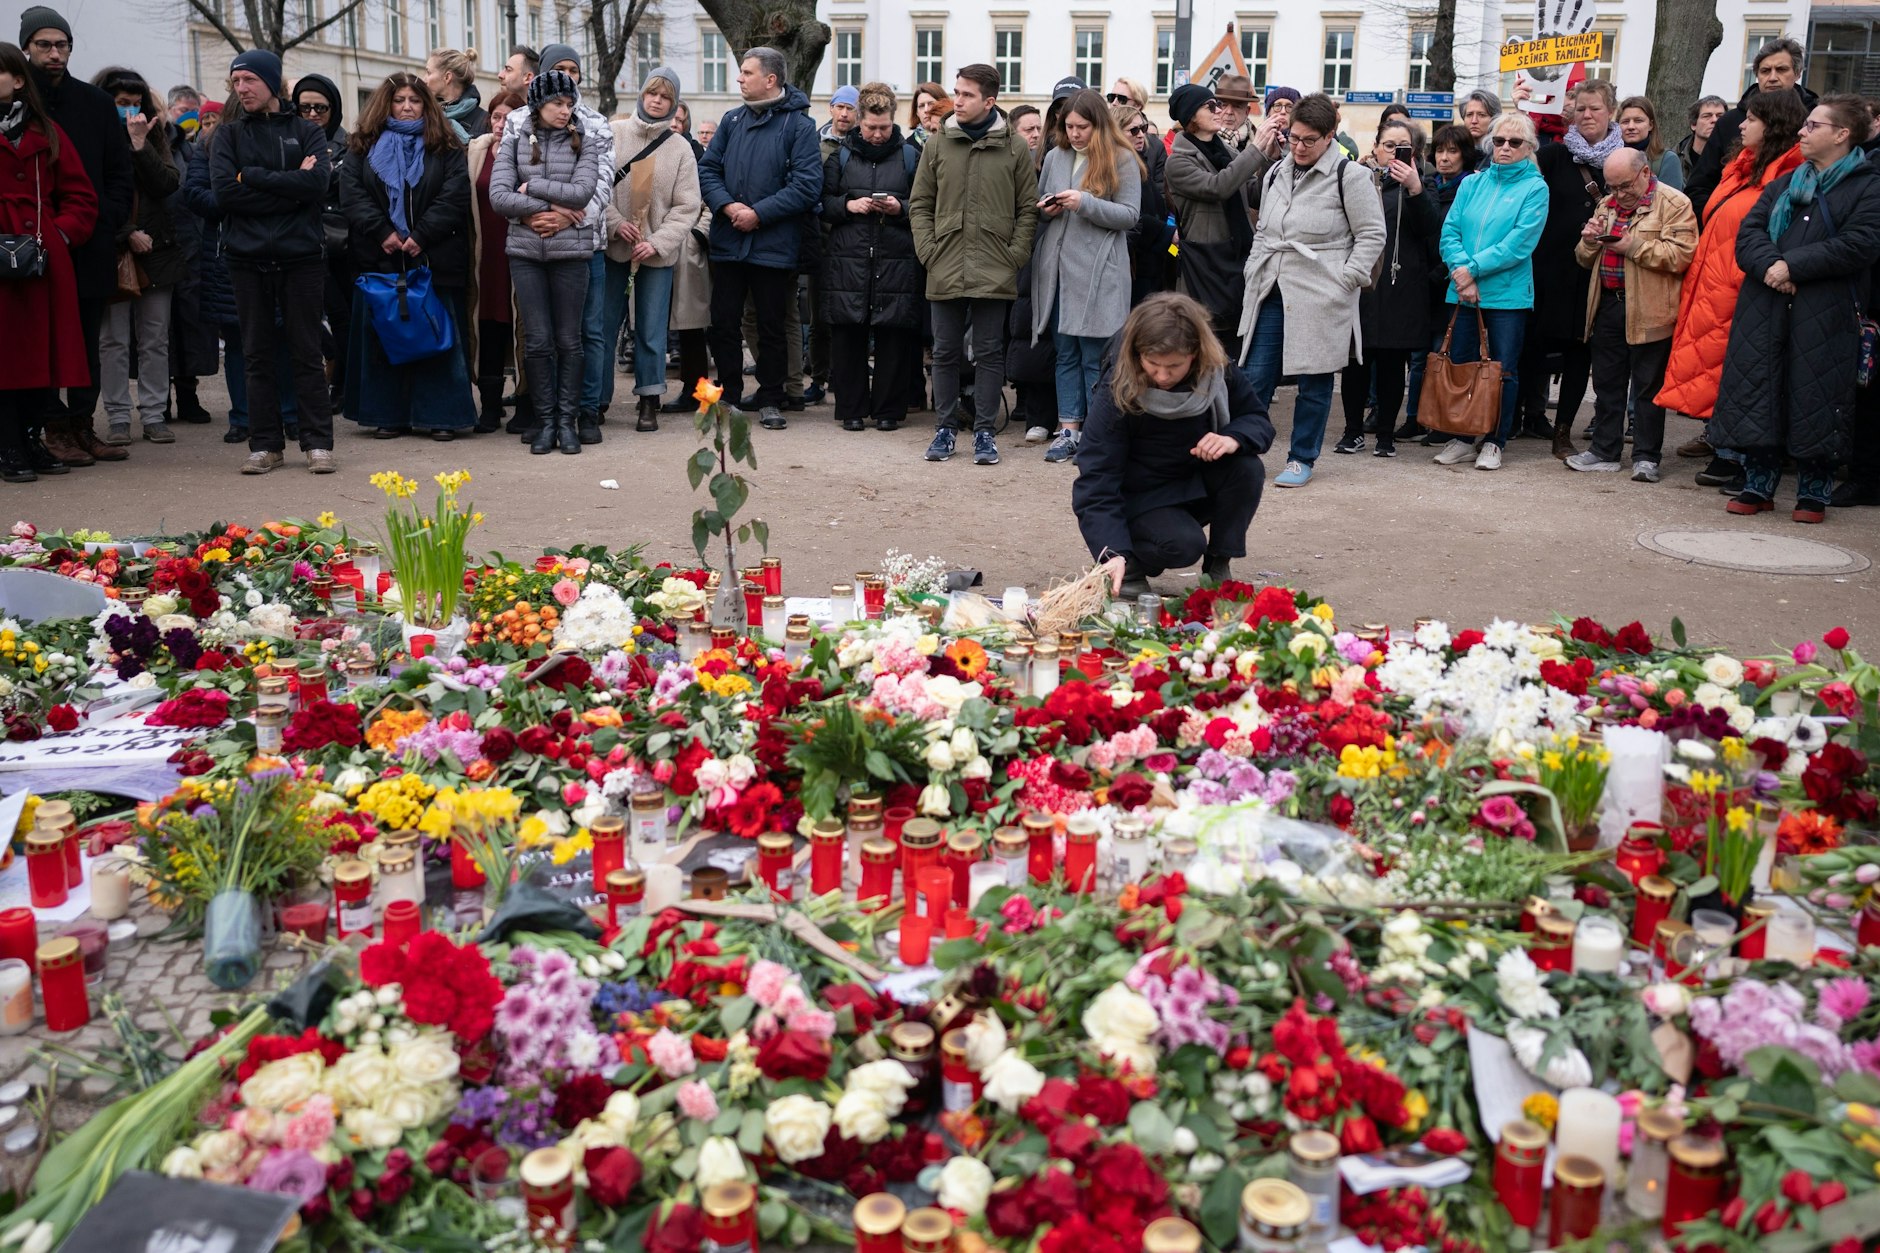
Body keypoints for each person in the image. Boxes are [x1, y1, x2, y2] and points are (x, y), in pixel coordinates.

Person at [1711, 95, 1880, 523]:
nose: (1802, 132)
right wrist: (1771, 266)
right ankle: (1758, 483)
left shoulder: (1868, 185)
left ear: (1841, 134)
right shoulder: (1785, 184)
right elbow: (1749, 232)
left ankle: (1813, 490)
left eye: (1813, 126)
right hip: (1765, 305)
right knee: (1759, 389)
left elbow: (1860, 243)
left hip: (1824, 310)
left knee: (1816, 394)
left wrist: (1794, 266)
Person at [1072, 292, 1273, 598]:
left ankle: (1219, 564)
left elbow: (1257, 419)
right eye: (1152, 364)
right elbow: (1096, 477)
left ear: (1195, 354)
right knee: (1183, 545)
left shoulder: (1217, 370)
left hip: (1192, 481)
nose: (1162, 376)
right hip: (1139, 496)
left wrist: (1232, 437)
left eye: (1174, 366)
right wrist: (1111, 553)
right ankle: (1131, 566)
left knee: (1247, 467)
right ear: (1138, 353)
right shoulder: (1119, 388)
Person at [1236, 92, 1385, 488]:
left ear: (1330, 136)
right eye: (1294, 138)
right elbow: (1264, 229)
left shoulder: (1350, 175)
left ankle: (1302, 457)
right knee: (1254, 376)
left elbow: (1372, 234)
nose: (1298, 147)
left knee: (1315, 382)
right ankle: (1243, 451)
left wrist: (1346, 279)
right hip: (1271, 283)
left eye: (1308, 140)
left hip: (1322, 290)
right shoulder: (1274, 172)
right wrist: (1254, 269)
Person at [1656, 89, 1806, 483]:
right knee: (1719, 373)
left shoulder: (1791, 175)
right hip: (1715, 283)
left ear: (1774, 126)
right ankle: (1727, 450)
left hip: (1745, 286)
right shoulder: (1742, 167)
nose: (1741, 125)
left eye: (1751, 119)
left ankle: (1742, 458)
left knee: (1745, 373)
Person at [210, 49, 336, 474]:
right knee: (255, 354)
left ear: (272, 82)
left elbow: (317, 185)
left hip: (301, 257)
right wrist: (290, 187)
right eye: (235, 81)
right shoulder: (227, 137)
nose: (241, 88)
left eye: (249, 80)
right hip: (246, 259)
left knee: (306, 351)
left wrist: (256, 178)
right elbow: (226, 194)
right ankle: (265, 445)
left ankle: (317, 443)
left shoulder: (306, 131)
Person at [910, 63, 1038, 467]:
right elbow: (920, 204)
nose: (957, 100)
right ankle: (945, 429)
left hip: (995, 264)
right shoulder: (938, 143)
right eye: (957, 91)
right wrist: (929, 251)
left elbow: (1028, 210)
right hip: (944, 260)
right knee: (945, 352)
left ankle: (985, 432)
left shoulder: (1015, 147)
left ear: (989, 101)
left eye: (966, 94)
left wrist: (1014, 255)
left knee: (988, 352)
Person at [21, 5, 131, 469]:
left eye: (62, 44)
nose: (54, 54)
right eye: (44, 45)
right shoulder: (20, 104)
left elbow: (118, 171)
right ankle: (53, 428)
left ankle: (84, 424)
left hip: (89, 240)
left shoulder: (96, 103)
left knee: (88, 338)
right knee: (41, 338)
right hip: (33, 246)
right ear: (26, 48)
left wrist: (102, 221)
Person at [340, 71, 475, 441]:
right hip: (379, 259)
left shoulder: (444, 146)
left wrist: (421, 235)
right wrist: (383, 231)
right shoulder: (362, 146)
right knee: (385, 338)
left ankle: (441, 416)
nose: (406, 107)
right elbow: (351, 192)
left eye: (414, 100)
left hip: (433, 258)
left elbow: (454, 195)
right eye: (399, 100)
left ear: (425, 104)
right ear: (386, 103)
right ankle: (388, 415)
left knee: (436, 338)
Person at [696, 47, 820, 433]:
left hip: (773, 245)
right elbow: (708, 170)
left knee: (771, 325)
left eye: (746, 72)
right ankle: (730, 394)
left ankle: (771, 398)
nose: (739, 78)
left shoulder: (799, 126)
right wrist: (729, 207)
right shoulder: (731, 120)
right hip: (729, 240)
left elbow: (807, 185)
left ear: (771, 79)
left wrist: (759, 213)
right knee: (723, 322)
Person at [1564, 148, 1696, 483]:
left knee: (1648, 387)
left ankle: (1647, 457)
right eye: (1612, 187)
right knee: (1607, 383)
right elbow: (1583, 258)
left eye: (1624, 186)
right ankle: (1604, 451)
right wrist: (1590, 241)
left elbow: (1682, 256)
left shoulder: (1674, 203)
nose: (1618, 194)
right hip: (1609, 303)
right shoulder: (1606, 204)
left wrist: (1631, 246)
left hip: (1652, 307)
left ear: (1645, 173)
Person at [0, 40, 97, 483]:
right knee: (5, 356)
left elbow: (80, 195)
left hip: (40, 260)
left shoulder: (48, 133)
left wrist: (59, 232)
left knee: (39, 358)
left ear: (18, 80)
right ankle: (8, 446)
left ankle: (29, 439)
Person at [1428, 111, 1547, 470]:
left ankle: (1495, 440)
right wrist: (1463, 274)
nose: (1505, 148)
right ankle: (1463, 436)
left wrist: (1471, 269)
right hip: (1464, 291)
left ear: (1529, 148)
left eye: (1515, 142)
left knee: (1502, 370)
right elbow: (1449, 233)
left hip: (1507, 296)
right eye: (1498, 141)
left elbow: (1519, 243)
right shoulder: (1471, 184)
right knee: (1462, 365)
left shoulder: (1535, 188)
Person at [491, 69, 600, 454]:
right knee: (537, 341)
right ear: (539, 104)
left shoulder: (584, 140)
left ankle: (567, 424)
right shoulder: (514, 140)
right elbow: (499, 197)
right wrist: (553, 205)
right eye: (557, 103)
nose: (565, 111)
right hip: (526, 253)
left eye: (570, 104)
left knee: (570, 340)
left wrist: (532, 188)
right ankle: (546, 422)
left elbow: (584, 192)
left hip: (570, 252)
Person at [1031, 88, 1141, 465]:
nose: (1075, 134)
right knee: (1064, 351)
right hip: (1058, 267)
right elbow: (1042, 202)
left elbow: (1130, 215)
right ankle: (1067, 431)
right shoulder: (1055, 156)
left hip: (1099, 268)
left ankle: (1098, 435)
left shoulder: (1122, 158)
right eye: (1069, 126)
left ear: (1100, 125)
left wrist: (1085, 203)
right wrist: (1047, 207)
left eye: (1083, 127)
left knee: (1096, 355)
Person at [599, 66, 701, 433]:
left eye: (666, 97)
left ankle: (648, 399)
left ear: (675, 105)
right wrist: (614, 223)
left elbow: (688, 205)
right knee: (604, 326)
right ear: (641, 95)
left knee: (651, 329)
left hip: (656, 255)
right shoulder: (613, 135)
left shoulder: (680, 148)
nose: (657, 101)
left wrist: (657, 242)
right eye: (652, 94)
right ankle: (597, 399)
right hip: (614, 248)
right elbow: (596, 187)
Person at [1522, 78, 1620, 456]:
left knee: (1579, 354)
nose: (1588, 114)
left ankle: (1563, 430)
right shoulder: (1553, 157)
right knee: (1529, 347)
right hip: (1546, 270)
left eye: (1595, 108)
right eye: (1580, 108)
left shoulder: (1623, 160)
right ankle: (1513, 420)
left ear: (1610, 111)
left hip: (1594, 274)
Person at [820, 82, 922, 432]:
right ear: (859, 122)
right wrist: (848, 205)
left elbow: (924, 205)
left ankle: (888, 411)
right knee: (849, 336)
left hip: (896, 258)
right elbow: (822, 203)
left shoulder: (910, 156)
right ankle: (851, 409)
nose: (878, 135)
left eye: (884, 128)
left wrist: (900, 207)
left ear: (894, 121)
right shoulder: (841, 156)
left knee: (893, 336)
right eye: (871, 128)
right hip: (849, 258)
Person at [1335, 119, 1439, 459]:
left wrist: (1414, 188)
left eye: (1403, 146)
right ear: (1377, 148)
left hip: (1401, 284)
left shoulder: (1423, 184)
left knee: (1393, 363)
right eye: (1389, 145)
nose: (1394, 152)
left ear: (1415, 153)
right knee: (1355, 362)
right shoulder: (1357, 180)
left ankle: (1385, 435)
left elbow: (1430, 231)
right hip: (1362, 283)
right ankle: (1352, 431)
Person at [527, 45, 615, 443]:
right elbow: (511, 179)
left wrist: (568, 216)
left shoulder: (595, 123)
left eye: (574, 70)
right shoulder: (519, 123)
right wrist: (536, 215)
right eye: (559, 69)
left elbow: (601, 184)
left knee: (588, 332)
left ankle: (587, 411)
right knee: (540, 334)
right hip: (535, 239)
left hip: (585, 241)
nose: (569, 76)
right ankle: (545, 414)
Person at [93, 67, 182, 446]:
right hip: (112, 250)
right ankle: (116, 416)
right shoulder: (93, 135)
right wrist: (127, 234)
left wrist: (140, 145)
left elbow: (167, 183)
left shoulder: (152, 133)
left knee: (154, 338)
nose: (129, 111)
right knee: (112, 340)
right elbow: (89, 194)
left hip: (158, 251)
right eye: (121, 104)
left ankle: (153, 414)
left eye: (135, 104)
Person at [1163, 83, 1267, 357]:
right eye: (1210, 106)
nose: (1219, 110)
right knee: (1205, 347)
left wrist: (1272, 155)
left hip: (1236, 258)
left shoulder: (1226, 152)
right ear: (1190, 116)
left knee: (1235, 346)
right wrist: (1255, 150)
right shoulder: (1178, 162)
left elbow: (1254, 192)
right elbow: (1218, 186)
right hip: (1205, 265)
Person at [1398, 122, 1478, 443]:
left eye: (1453, 151)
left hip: (1449, 282)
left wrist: (1442, 272)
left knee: (1445, 355)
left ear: (1465, 155)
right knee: (1421, 357)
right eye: (1440, 151)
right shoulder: (1428, 184)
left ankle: (1443, 421)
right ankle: (1416, 417)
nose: (1445, 158)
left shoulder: (1470, 188)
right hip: (1423, 285)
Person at [1687, 38, 1815, 218]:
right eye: (1765, 71)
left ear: (1797, 73)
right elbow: (1700, 185)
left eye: (1781, 69)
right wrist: (1714, 220)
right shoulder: (1730, 121)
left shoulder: (1815, 121)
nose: (1772, 77)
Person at [468, 87, 524, 433]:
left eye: (509, 117)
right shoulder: (476, 150)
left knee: (522, 327)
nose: (501, 123)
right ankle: (489, 405)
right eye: (496, 116)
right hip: (484, 252)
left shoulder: (531, 148)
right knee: (485, 324)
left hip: (519, 251)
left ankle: (525, 404)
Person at [293, 73, 350, 411]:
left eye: (321, 108)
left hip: (339, 244)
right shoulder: (288, 140)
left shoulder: (348, 143)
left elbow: (338, 187)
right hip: (299, 241)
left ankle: (342, 387)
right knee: (305, 319)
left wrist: (306, 177)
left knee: (342, 317)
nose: (313, 114)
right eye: (305, 108)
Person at [163, 83, 216, 428]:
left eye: (192, 110)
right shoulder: (159, 146)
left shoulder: (197, 150)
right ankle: (159, 401)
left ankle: (188, 394)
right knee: (161, 329)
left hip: (194, 246)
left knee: (192, 325)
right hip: (161, 246)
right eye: (181, 109)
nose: (188, 116)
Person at [1617, 96, 1682, 190]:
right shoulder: (1607, 157)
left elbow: (1670, 202)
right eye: (1625, 121)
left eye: (1638, 121)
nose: (1631, 126)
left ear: (1650, 125)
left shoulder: (1667, 160)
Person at [425, 48, 488, 140]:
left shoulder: (484, 121)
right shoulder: (426, 115)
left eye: (428, 73)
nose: (424, 80)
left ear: (447, 77)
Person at [1677, 95, 1727, 184]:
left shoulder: (1734, 160)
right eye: (1707, 116)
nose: (1714, 120)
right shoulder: (1675, 158)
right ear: (1693, 124)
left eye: (1720, 116)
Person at [1212, 74, 1256, 151]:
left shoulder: (1260, 141)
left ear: (1247, 112)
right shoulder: (1202, 138)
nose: (1229, 112)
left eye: (1236, 106)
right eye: (1223, 105)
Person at [909, 83, 944, 147]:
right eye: (921, 106)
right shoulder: (907, 148)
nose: (926, 110)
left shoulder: (955, 140)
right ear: (917, 112)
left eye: (931, 104)